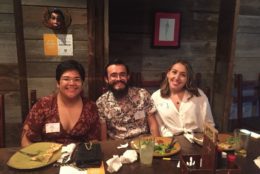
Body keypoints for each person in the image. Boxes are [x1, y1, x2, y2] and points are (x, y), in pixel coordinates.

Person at [21, 60, 100, 147]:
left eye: (77, 79)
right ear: (58, 83)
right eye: (66, 79)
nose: (72, 83)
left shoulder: (90, 107)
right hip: (48, 157)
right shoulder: (44, 105)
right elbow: (26, 140)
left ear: (82, 83)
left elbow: (94, 141)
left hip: (79, 158)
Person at [96, 59, 160, 140]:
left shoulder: (142, 94)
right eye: (114, 75)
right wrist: (104, 149)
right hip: (116, 144)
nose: (118, 79)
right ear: (106, 79)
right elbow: (103, 130)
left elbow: (152, 122)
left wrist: (158, 143)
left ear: (128, 77)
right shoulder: (101, 102)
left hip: (143, 142)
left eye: (122, 74)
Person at [151, 59, 215, 137]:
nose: (177, 77)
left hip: (197, 141)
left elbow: (209, 124)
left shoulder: (198, 95)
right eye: (174, 72)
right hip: (170, 143)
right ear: (168, 74)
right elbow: (158, 126)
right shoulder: (156, 97)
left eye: (183, 75)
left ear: (187, 79)